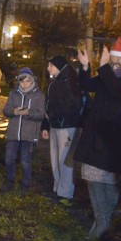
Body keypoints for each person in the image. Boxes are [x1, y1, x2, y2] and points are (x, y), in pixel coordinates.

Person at [74, 39, 121, 238]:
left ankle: (103, 225)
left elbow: (118, 92)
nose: (111, 64)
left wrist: (103, 67)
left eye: (114, 61)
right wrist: (85, 66)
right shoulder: (107, 76)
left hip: (114, 143)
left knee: (109, 183)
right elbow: (85, 84)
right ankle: (101, 222)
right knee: (93, 180)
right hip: (95, 139)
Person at [41, 55, 83, 204]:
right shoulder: (55, 82)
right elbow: (48, 105)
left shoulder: (69, 83)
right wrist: (46, 124)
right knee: (55, 158)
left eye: (50, 65)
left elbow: (72, 107)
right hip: (56, 125)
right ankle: (58, 189)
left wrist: (52, 115)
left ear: (58, 66)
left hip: (67, 126)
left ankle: (65, 194)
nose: (48, 68)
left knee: (65, 161)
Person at [0, 67, 46, 193]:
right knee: (9, 158)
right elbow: (6, 110)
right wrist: (13, 111)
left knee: (25, 160)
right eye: (22, 81)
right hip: (13, 133)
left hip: (29, 134)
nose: (25, 84)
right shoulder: (13, 93)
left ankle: (25, 184)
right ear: (18, 82)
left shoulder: (39, 95)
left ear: (32, 81)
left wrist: (28, 112)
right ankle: (10, 181)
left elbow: (42, 114)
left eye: (27, 81)